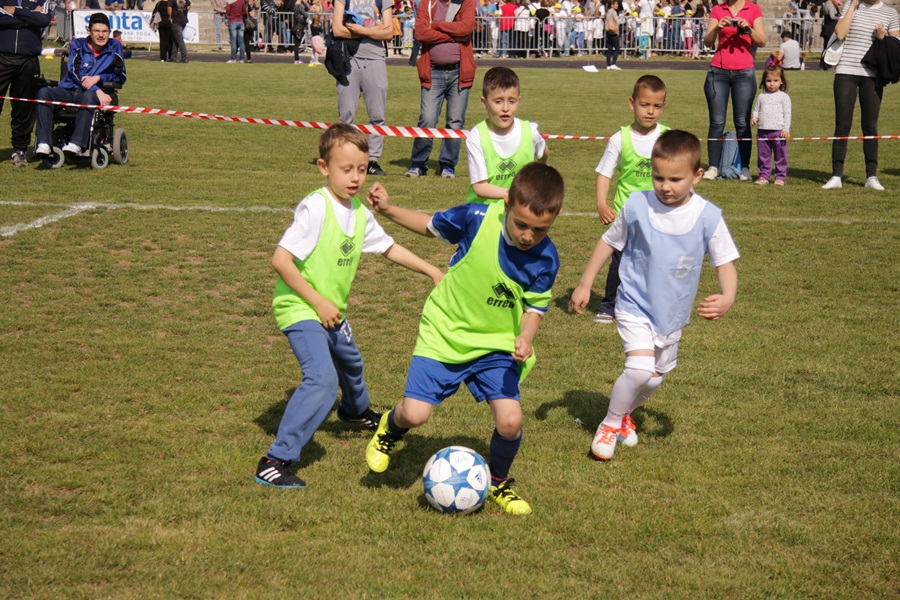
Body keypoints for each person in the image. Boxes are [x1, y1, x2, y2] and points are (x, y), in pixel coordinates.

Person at [364, 162, 564, 516]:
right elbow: (429, 227)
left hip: (495, 345)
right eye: (521, 224)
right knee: (416, 413)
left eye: (540, 229)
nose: (528, 236)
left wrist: (526, 335)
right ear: (506, 206)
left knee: (511, 420)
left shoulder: (546, 258)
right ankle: (389, 428)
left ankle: (499, 482)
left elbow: (536, 307)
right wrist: (389, 209)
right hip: (445, 330)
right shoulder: (475, 217)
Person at [254, 123, 443, 489]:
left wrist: (431, 270)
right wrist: (318, 301)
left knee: (351, 364)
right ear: (324, 167)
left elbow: (388, 247)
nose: (355, 177)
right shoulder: (316, 208)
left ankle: (355, 412)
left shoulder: (357, 212)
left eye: (362, 168)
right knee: (323, 380)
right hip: (300, 307)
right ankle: (276, 459)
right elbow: (281, 260)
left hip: (331, 309)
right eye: (346, 169)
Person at [571, 130, 739, 462]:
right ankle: (610, 423)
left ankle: (626, 412)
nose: (665, 186)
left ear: (697, 176)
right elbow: (609, 242)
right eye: (658, 176)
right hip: (634, 302)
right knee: (638, 370)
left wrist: (728, 295)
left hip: (672, 312)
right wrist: (585, 283)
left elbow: (725, 261)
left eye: (675, 179)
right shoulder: (637, 205)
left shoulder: (708, 217)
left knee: (655, 378)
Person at [593, 74, 668, 324]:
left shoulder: (668, 138)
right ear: (631, 103)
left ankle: (650, 305)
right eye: (644, 105)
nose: (650, 111)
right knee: (619, 263)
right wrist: (602, 204)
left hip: (659, 215)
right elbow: (605, 173)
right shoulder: (619, 138)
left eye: (657, 106)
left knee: (653, 262)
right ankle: (608, 305)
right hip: (625, 215)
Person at [821, 0, 898, 192]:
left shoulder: (891, 13)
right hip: (846, 71)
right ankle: (836, 175)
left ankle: (871, 175)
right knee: (842, 124)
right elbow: (840, 33)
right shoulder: (851, 5)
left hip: (872, 75)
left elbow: (896, 47)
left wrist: (882, 38)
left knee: (870, 125)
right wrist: (853, 6)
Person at [33, 12, 126, 159]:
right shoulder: (78, 44)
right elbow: (76, 74)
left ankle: (77, 143)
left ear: (109, 32)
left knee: (87, 96)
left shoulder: (115, 46)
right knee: (44, 92)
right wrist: (96, 90)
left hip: (94, 94)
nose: (101, 35)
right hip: (71, 89)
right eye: (97, 31)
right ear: (89, 31)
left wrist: (98, 78)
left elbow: (121, 76)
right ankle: (44, 143)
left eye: (104, 31)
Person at [405, 0, 476, 179]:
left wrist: (436, 25)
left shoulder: (466, 2)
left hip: (459, 72)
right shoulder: (426, 4)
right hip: (432, 72)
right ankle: (418, 163)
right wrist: (453, 33)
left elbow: (466, 29)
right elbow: (421, 33)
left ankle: (448, 165)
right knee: (427, 119)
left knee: (455, 122)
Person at [700, 0, 765, 181]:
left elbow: (762, 41)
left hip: (744, 72)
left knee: (742, 122)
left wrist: (749, 29)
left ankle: (744, 167)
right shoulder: (718, 9)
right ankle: (713, 167)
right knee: (717, 122)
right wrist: (716, 28)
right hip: (718, 72)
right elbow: (708, 41)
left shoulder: (753, 9)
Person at [465, 67, 548, 204]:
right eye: (498, 101)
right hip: (481, 214)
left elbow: (543, 152)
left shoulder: (530, 131)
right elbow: (480, 187)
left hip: (518, 212)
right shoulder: (477, 136)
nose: (505, 108)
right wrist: (515, 194)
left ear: (519, 100)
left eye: (512, 101)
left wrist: (541, 175)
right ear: (484, 102)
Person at [0, 0, 51, 167]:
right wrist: (29, 18)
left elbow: (43, 20)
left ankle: (20, 150)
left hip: (28, 61)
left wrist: (13, 11)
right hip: (2, 58)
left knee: (24, 108)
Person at [751, 64, 791, 186]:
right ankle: (764, 176)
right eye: (768, 81)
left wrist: (786, 128)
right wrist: (754, 118)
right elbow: (756, 109)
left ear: (781, 81)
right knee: (763, 156)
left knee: (780, 156)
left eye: (775, 81)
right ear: (764, 81)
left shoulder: (784, 97)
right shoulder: (762, 96)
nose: (772, 84)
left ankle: (780, 177)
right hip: (763, 131)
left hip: (778, 131)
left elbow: (787, 113)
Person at [605, 0, 622, 69]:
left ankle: (608, 65)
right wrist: (622, 16)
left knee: (609, 49)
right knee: (617, 49)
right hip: (614, 32)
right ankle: (613, 63)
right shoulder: (613, 12)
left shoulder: (607, 12)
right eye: (616, 4)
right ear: (612, 5)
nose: (617, 5)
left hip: (608, 31)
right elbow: (618, 21)